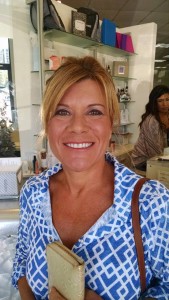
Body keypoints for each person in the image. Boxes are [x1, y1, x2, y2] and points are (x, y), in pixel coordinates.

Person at [12, 56, 169, 299]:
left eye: (94, 112)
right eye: (62, 111)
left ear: (111, 123)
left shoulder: (153, 203)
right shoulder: (33, 192)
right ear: (47, 122)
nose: (77, 126)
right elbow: (21, 263)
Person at [132, 84, 169, 171]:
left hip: (161, 157)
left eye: (167, 99)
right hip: (143, 161)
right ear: (154, 103)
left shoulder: (167, 115)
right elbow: (155, 153)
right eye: (160, 101)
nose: (165, 104)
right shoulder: (151, 121)